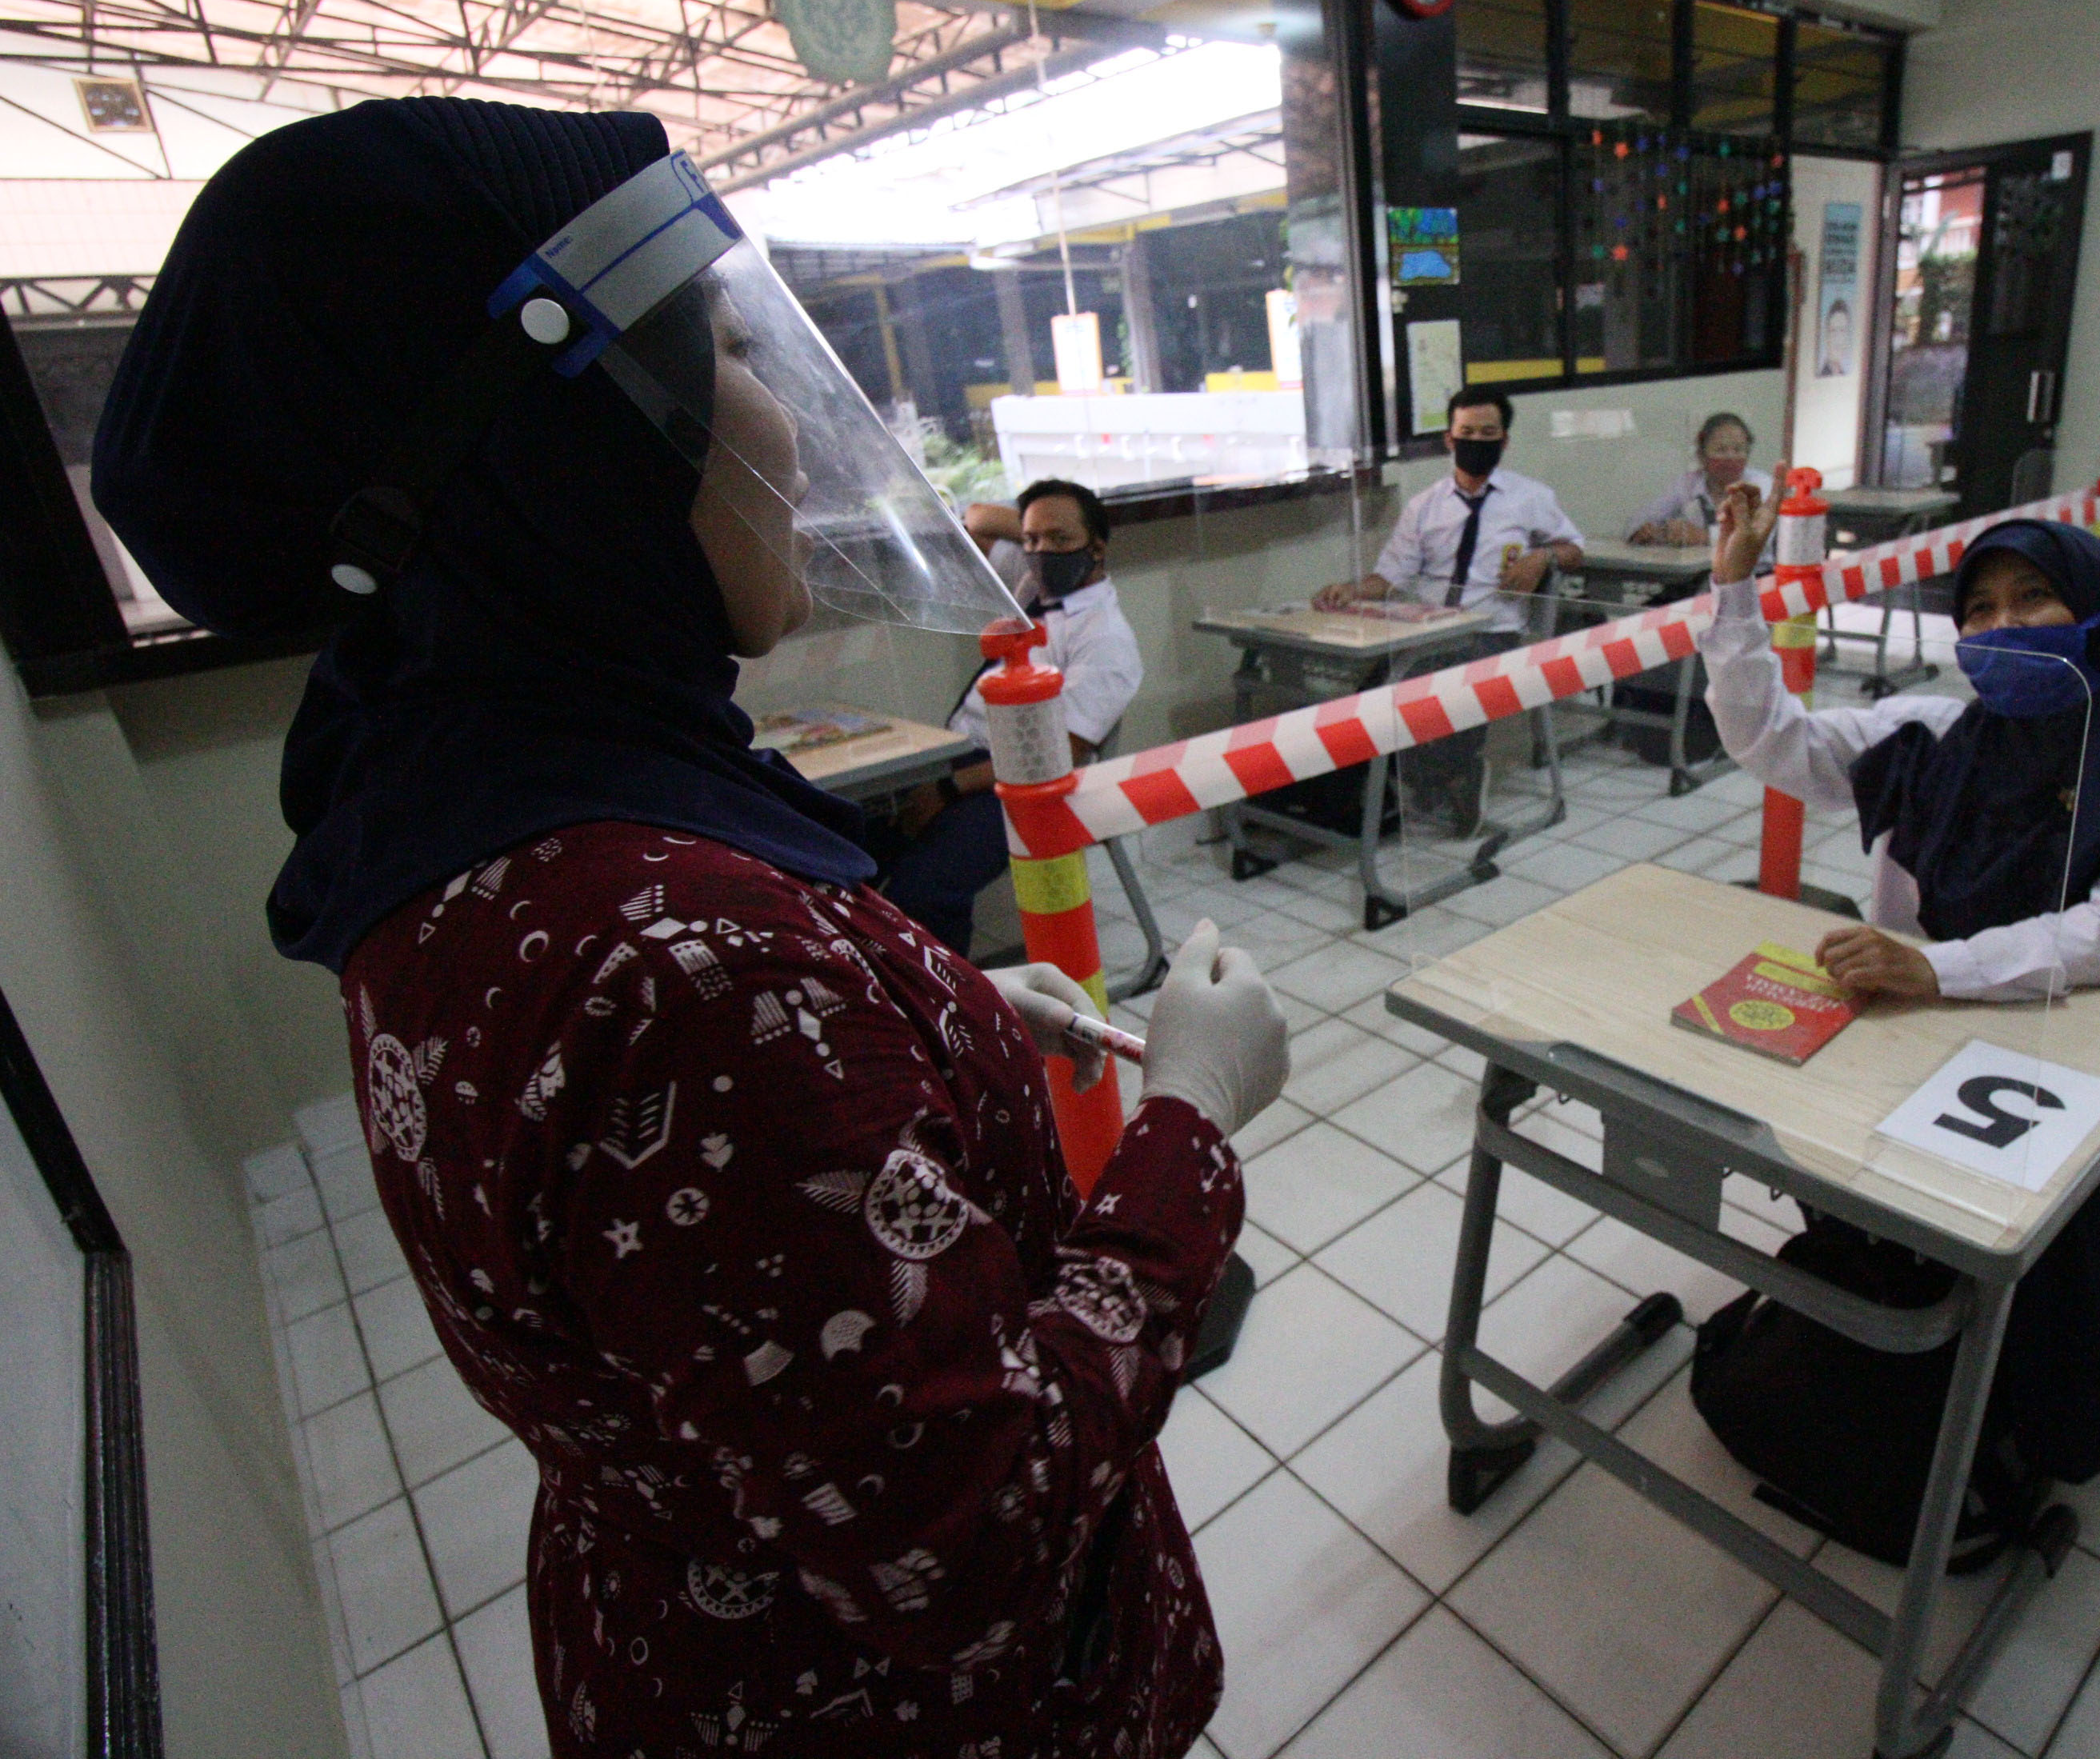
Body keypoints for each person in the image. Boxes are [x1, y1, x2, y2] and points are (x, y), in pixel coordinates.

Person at [90, 95, 1287, 1758]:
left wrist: (920, 1018)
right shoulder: (691, 971)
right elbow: (975, 1538)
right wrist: (1191, 1126)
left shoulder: (441, 809)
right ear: (560, 449)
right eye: (725, 355)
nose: (791, 427)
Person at [1700, 492, 2100, 1485]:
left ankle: (2020, 1405)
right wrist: (1736, 591)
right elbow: (1769, 742)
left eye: (2032, 598)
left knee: (2046, 1290)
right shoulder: (1928, 733)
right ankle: (1894, 1328)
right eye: (1979, 610)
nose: (2002, 627)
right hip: (1910, 1032)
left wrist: (1936, 966)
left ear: (2094, 613)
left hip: (2079, 1056)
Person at [881, 478, 1143, 956]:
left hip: (1029, 787)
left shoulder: (1105, 638)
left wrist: (945, 790)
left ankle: (952, 1006)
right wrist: (1039, 528)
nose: (1042, 552)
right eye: (1032, 541)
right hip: (962, 755)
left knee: (922, 891)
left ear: (1098, 549)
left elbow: (1054, 752)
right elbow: (977, 520)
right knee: (854, 836)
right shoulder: (1031, 583)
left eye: (1061, 540)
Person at [1314, 384, 1584, 827]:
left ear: (1505, 441)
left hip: (1495, 631)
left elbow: (1575, 547)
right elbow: (1391, 574)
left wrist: (1543, 557)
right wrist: (1352, 590)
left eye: (1487, 433)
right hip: (1431, 629)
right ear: (1449, 439)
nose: (1476, 442)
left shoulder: (1529, 497)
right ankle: (1401, 790)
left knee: (1435, 684)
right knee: (1374, 689)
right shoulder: (1425, 506)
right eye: (1466, 432)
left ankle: (1449, 776)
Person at [1630, 411, 1773, 548]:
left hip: (1757, 572)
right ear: (1701, 456)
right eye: (1721, 450)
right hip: (1702, 571)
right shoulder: (1687, 483)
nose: (1730, 457)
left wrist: (1702, 536)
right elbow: (1636, 523)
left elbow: (1758, 538)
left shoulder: (1761, 484)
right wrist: (1649, 532)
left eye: (1738, 449)